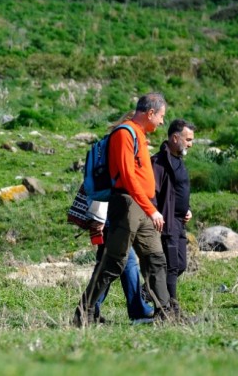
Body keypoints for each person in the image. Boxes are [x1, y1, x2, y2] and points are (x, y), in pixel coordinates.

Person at [75, 93, 170, 326]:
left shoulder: (139, 134)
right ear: (150, 113)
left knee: (156, 259)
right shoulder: (124, 133)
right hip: (128, 205)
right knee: (113, 262)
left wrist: (149, 208)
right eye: (161, 116)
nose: (161, 122)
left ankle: (168, 315)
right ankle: (84, 314)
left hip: (141, 206)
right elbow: (127, 177)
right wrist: (152, 209)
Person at [152, 119, 195, 317]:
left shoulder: (178, 159)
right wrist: (156, 214)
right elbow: (153, 193)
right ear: (175, 137)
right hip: (167, 222)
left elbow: (179, 189)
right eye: (188, 139)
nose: (190, 144)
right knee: (171, 266)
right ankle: (170, 309)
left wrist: (187, 209)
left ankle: (151, 289)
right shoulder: (160, 161)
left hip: (180, 220)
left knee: (181, 264)